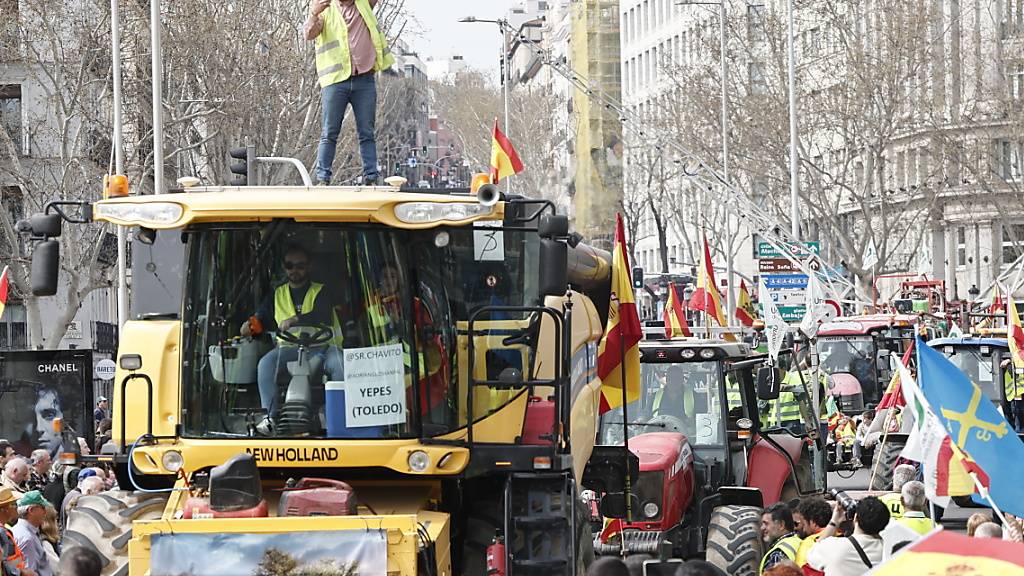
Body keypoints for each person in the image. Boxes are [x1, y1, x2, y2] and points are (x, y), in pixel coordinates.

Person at [244, 246, 344, 436]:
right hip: (289, 349)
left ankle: (335, 415)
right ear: (284, 267)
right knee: (265, 364)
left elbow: (322, 314)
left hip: (322, 348)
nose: (294, 270)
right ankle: (270, 418)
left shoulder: (321, 291)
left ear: (309, 267)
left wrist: (293, 320)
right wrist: (249, 326)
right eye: (290, 265)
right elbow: (261, 318)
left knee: (339, 364)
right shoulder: (277, 294)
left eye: (300, 265)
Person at [304, 0, 394, 186]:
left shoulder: (363, 4)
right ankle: (323, 178)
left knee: (367, 132)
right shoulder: (325, 9)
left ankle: (371, 176)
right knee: (329, 132)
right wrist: (313, 14)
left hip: (364, 79)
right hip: (336, 81)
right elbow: (309, 34)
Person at [805, 496, 888, 575]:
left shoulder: (832, 547)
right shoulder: (891, 550)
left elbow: (812, 554)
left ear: (855, 518)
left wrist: (834, 521)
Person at [12, 491, 53, 576]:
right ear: (31, 510)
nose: (45, 512)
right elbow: (29, 572)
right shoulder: (27, 538)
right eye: (42, 508)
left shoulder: (18, 530)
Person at [760, 502, 800, 574]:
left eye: (766, 523)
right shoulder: (799, 541)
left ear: (781, 525)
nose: (762, 528)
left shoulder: (777, 554)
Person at [0, 487, 31, 576]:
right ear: (5, 509)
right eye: (13, 504)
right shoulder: (1, 532)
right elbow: (4, 564)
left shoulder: (5, 528)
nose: (16, 508)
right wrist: (22, 573)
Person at [793, 497, 832, 568]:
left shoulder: (808, 545)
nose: (802, 529)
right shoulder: (843, 536)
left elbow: (802, 571)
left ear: (813, 522)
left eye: (803, 524)